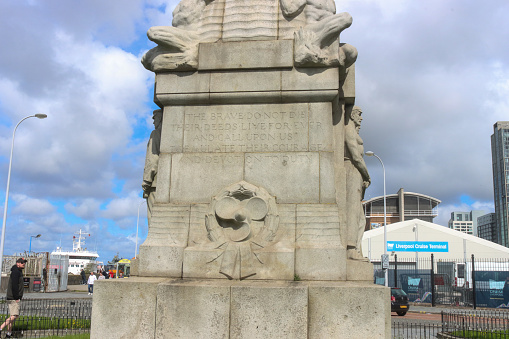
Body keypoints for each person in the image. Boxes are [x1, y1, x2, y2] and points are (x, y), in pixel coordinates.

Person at [344, 106, 370, 261]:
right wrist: (367, 175)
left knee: (361, 218)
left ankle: (356, 248)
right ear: (352, 114)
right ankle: (350, 249)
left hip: (356, 173)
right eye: (359, 114)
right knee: (353, 212)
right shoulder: (348, 129)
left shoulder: (353, 130)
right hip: (352, 171)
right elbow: (356, 156)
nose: (361, 118)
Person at [142, 109, 163, 226]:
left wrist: (146, 181)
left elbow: (152, 159)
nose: (154, 122)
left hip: (154, 183)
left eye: (155, 119)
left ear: (159, 119)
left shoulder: (156, 134)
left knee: (153, 217)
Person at [0, 258, 27, 338]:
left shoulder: (18, 271)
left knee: (13, 315)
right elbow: (15, 285)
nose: (23, 264)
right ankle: (1, 328)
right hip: (13, 297)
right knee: (14, 315)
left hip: (13, 297)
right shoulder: (16, 272)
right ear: (17, 263)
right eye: (22, 262)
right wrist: (16, 297)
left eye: (24, 262)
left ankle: (9, 333)